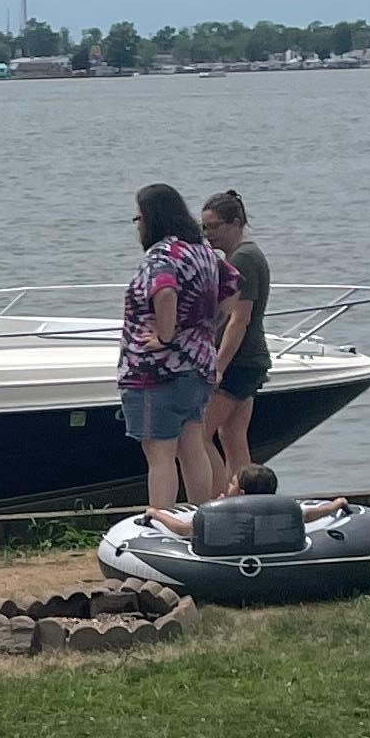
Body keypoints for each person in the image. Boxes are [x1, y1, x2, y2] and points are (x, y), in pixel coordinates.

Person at [118, 181, 237, 520]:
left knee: (159, 452)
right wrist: (206, 328)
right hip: (198, 363)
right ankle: (201, 518)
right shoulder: (201, 251)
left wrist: (167, 336)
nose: (137, 225)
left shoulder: (161, 256)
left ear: (152, 218)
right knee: (192, 446)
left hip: (156, 370)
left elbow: (165, 291)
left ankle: (161, 521)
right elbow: (232, 288)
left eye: (138, 218)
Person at [201, 187, 271, 489]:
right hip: (250, 359)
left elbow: (238, 319)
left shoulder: (243, 259)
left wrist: (218, 365)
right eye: (204, 227)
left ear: (236, 222)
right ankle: (247, 498)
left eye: (214, 226)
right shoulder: (244, 256)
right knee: (230, 436)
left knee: (198, 434)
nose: (208, 234)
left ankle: (218, 500)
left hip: (239, 361)